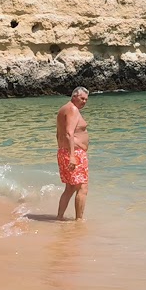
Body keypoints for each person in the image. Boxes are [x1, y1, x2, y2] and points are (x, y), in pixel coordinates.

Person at [56, 86, 91, 221]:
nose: (84, 102)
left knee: (70, 187)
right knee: (82, 188)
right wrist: (71, 156)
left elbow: (58, 134)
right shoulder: (72, 109)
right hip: (74, 154)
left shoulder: (63, 109)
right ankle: (79, 220)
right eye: (82, 98)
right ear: (74, 96)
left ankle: (59, 217)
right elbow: (69, 133)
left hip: (65, 151)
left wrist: (63, 151)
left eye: (86, 100)